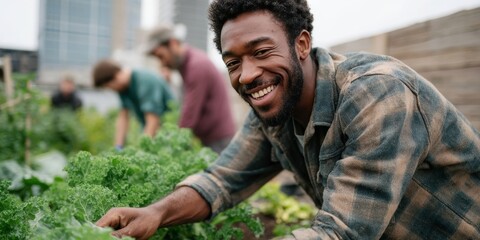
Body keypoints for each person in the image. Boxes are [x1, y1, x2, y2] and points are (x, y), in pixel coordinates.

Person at [96, 0, 480, 239]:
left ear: (301, 44)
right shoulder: (275, 111)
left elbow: (342, 232)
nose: (246, 75)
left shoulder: (377, 93)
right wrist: (155, 212)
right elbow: (222, 180)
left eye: (261, 51)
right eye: (233, 63)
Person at [146, 24, 236, 154]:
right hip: (212, 139)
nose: (162, 63)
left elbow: (189, 115)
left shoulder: (196, 66)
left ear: (172, 44)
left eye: (160, 56)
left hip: (218, 141)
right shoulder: (187, 65)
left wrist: (172, 147)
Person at [92, 60, 174, 149]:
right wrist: (118, 146)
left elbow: (153, 120)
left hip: (171, 132)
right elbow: (123, 117)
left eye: (109, 86)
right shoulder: (123, 88)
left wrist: (142, 150)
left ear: (116, 76)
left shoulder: (144, 81)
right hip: (155, 133)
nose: (112, 90)